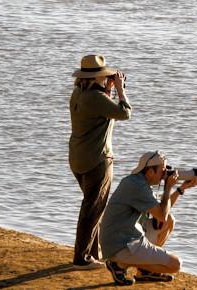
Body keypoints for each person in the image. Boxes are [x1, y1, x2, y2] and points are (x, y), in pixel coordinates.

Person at [68, 55, 131, 269]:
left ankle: (92, 252)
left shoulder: (79, 93)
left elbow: (102, 112)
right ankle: (82, 258)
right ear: (97, 76)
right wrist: (121, 90)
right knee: (92, 209)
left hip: (79, 157)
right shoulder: (96, 98)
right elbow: (124, 113)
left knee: (92, 206)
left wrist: (109, 90)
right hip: (97, 159)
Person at [101, 151, 197, 285]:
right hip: (120, 244)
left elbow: (162, 213)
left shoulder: (139, 182)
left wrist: (181, 189)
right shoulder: (137, 186)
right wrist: (167, 187)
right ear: (150, 171)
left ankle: (144, 272)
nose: (165, 174)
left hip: (124, 235)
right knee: (176, 264)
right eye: (162, 170)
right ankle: (119, 265)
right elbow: (161, 215)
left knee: (169, 221)